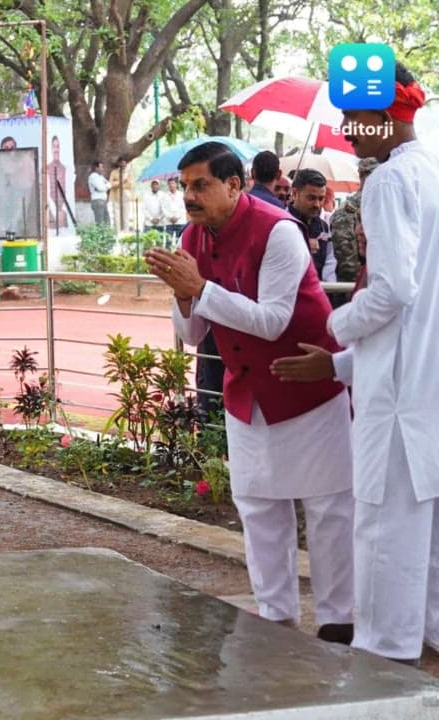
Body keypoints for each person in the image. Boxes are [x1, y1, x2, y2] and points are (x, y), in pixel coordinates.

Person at [143, 141, 354, 644]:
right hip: (247, 393)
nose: (189, 196)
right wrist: (182, 293)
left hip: (307, 384)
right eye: (184, 186)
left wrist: (200, 290)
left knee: (328, 509)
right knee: (259, 509)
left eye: (201, 185)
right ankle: (276, 617)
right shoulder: (193, 237)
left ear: (234, 185)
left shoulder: (279, 231)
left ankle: (339, 621)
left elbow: (272, 319)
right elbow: (194, 336)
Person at [274, 64, 438, 665]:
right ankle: (422, 637)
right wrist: (345, 367)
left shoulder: (391, 180)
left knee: (383, 529)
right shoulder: (430, 171)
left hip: (396, 398)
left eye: (353, 116)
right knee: (425, 531)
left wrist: (337, 327)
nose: (346, 129)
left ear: (386, 113)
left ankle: (382, 657)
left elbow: (394, 290)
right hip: (422, 383)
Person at [328, 158, 378, 292]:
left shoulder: (348, 209)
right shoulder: (387, 203)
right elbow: (348, 265)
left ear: (361, 174)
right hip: (363, 288)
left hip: (357, 288)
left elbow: (347, 262)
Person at [287, 169, 334, 282]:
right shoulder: (280, 222)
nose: (317, 205)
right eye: (311, 198)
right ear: (294, 193)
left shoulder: (324, 227)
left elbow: (330, 263)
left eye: (321, 199)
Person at [48, 136, 69, 230]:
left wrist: (62, 210)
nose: (56, 150)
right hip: (51, 211)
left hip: (63, 211)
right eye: (54, 146)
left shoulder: (64, 168)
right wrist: (55, 211)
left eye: (58, 146)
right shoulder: (47, 168)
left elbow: (68, 191)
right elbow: (47, 192)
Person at [108, 159, 136, 230]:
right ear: (119, 164)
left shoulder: (129, 173)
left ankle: (126, 233)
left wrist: (118, 184)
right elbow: (111, 183)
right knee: (116, 216)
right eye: (121, 163)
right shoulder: (114, 172)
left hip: (126, 196)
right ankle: (117, 233)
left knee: (126, 215)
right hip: (115, 196)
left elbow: (130, 185)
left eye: (124, 163)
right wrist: (122, 181)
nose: (123, 165)